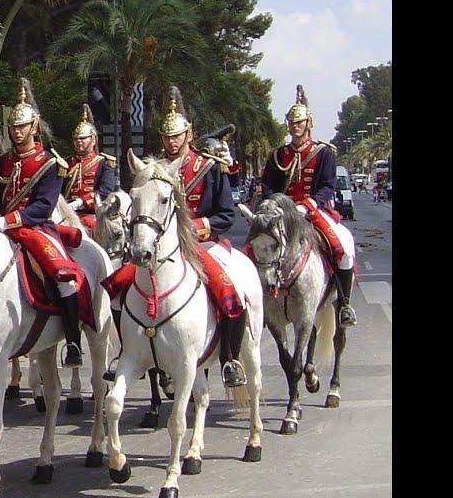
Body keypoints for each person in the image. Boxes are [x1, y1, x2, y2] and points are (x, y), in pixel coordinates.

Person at [102, 87, 249, 387]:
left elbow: (226, 215)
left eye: (177, 136)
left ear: (188, 135)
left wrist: (199, 227)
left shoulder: (207, 167)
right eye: (167, 137)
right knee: (115, 287)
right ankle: (125, 353)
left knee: (227, 289)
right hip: (159, 248)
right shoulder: (151, 171)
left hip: (198, 244)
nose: (172, 142)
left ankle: (229, 358)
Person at [0, 78, 84, 368]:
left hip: (36, 228)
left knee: (63, 276)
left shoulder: (50, 163)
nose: (16, 132)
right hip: (1, 226)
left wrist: (9, 220)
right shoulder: (2, 162)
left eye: (21, 127)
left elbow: (43, 207)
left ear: (34, 127)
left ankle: (73, 340)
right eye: (13, 128)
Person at [260, 84, 357, 327]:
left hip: (313, 211)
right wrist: (274, 205)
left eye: (299, 123)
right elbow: (268, 186)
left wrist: (308, 205)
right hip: (282, 212)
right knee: (255, 248)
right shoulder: (277, 156)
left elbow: (327, 185)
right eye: (292, 123)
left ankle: (344, 303)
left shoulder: (323, 153)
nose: (295, 127)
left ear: (308, 123)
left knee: (341, 248)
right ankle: (257, 300)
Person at [62, 103, 119, 232]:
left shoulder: (104, 163)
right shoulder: (66, 163)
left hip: (94, 214)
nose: (79, 141)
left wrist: (82, 202)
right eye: (76, 139)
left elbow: (106, 190)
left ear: (93, 140)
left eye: (83, 138)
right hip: (67, 213)